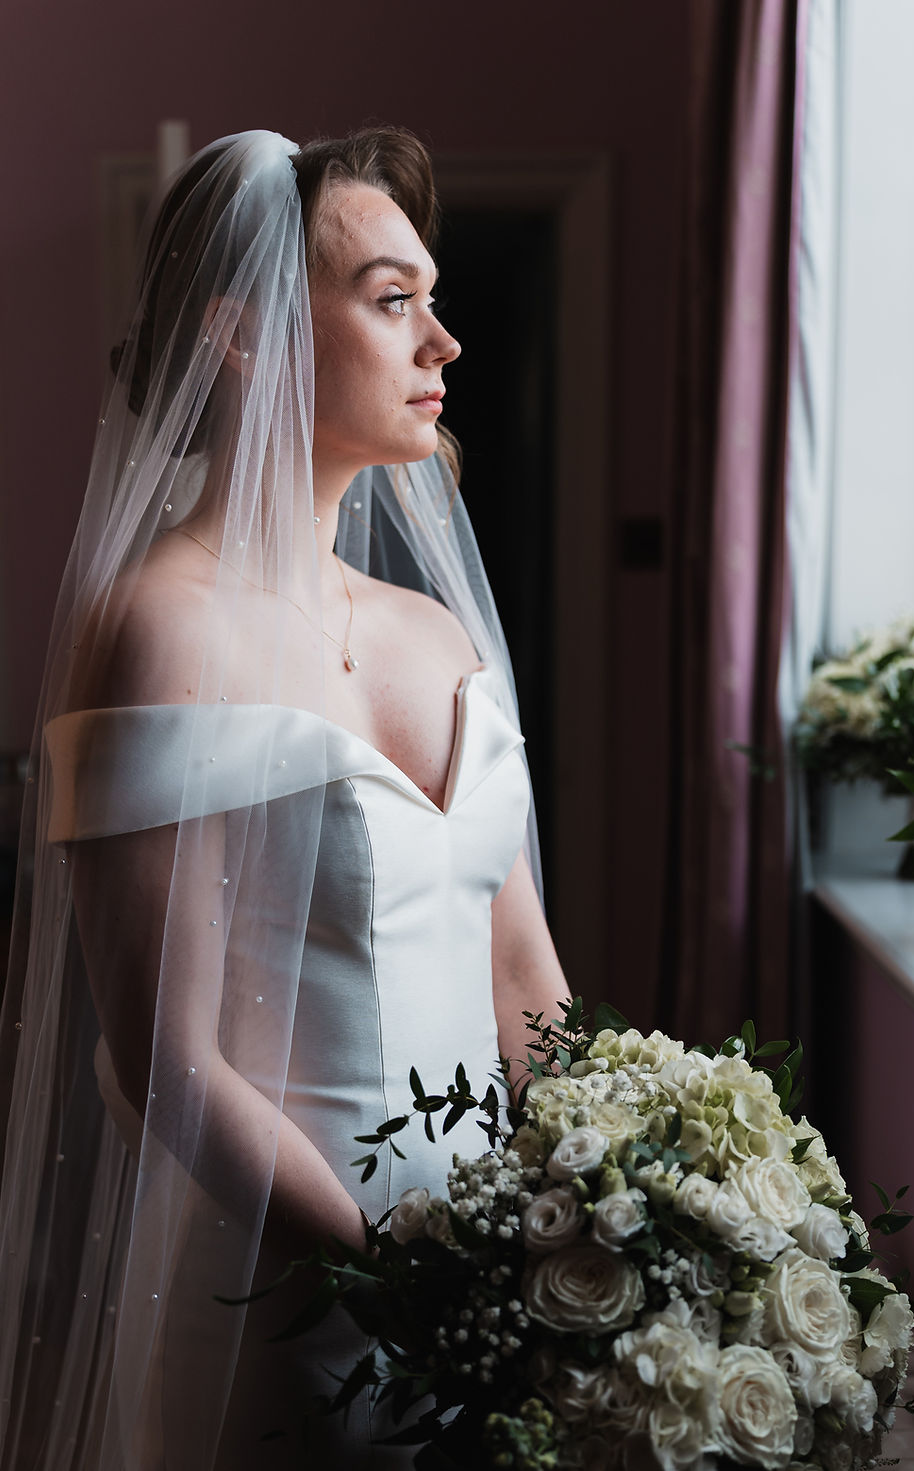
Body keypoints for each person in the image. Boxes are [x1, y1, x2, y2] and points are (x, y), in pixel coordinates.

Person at [0, 128, 568, 1469]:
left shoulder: (440, 635)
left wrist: (584, 1221)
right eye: (392, 301)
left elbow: (524, 970)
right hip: (289, 1306)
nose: (444, 345)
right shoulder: (160, 632)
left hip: (496, 1295)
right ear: (245, 337)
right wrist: (393, 1281)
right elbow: (167, 1059)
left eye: (434, 301)